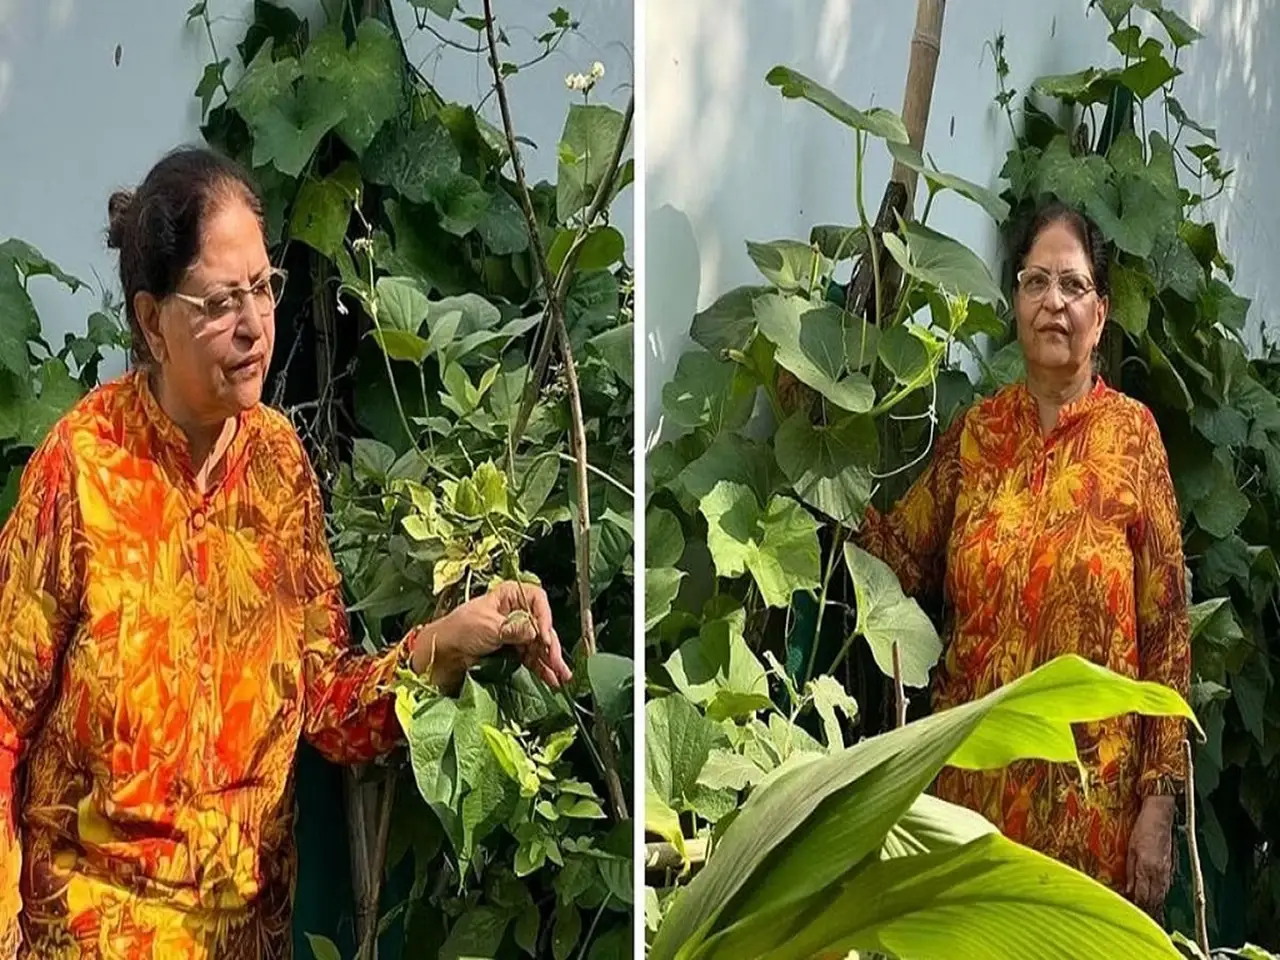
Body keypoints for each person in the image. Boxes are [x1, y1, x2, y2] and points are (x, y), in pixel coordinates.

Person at [0, 146, 572, 959]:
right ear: (153, 320)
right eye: (220, 302)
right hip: (92, 931)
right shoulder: (83, 468)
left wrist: (445, 643)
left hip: (246, 935)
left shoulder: (277, 467)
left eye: (264, 290)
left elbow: (324, 702)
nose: (254, 327)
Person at [861, 201, 1191, 918]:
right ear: (1015, 301)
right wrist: (819, 435)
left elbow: (1166, 632)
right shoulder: (976, 435)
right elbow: (896, 559)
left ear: (1100, 315)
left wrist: (1157, 803)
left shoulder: (1133, 439)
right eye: (1036, 281)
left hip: (1092, 813)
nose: (1054, 302)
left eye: (1073, 286)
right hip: (971, 801)